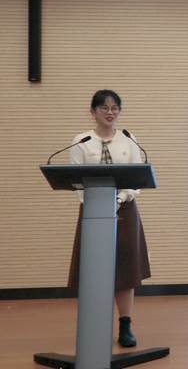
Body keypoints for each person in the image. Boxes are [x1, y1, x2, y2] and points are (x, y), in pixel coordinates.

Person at [67, 89, 151, 348]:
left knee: (125, 270)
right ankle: (95, 325)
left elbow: (137, 177)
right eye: (104, 107)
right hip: (92, 209)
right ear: (93, 112)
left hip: (125, 208)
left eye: (115, 107)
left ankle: (125, 325)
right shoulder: (81, 141)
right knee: (91, 268)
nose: (110, 112)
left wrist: (119, 199)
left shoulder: (128, 139)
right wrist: (99, 202)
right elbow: (76, 182)